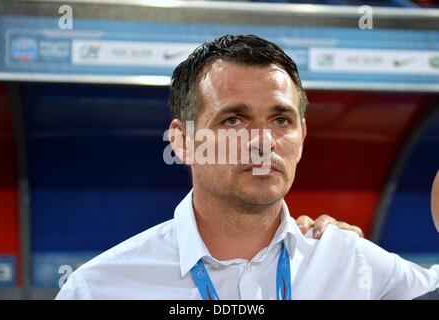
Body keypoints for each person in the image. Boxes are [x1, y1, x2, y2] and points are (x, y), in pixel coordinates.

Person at [56, 35, 438, 300]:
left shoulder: (355, 264)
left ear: (302, 136)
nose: (263, 141)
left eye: (282, 120)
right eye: (234, 120)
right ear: (182, 141)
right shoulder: (99, 287)